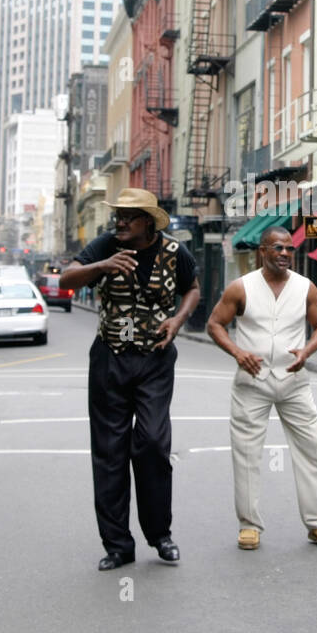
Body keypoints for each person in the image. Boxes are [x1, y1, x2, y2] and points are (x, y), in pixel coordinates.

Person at [58, 188, 200, 571]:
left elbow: (192, 288)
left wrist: (178, 320)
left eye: (129, 216)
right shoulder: (105, 245)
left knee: (153, 443)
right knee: (109, 453)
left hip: (154, 361)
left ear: (148, 222)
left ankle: (160, 534)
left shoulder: (174, 252)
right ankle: (118, 545)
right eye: (118, 214)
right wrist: (102, 266)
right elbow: (67, 280)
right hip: (110, 359)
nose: (119, 221)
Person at [206, 225, 317, 551]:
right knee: (247, 453)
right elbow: (214, 324)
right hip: (252, 382)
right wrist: (238, 353)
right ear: (261, 252)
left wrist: (307, 351)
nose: (284, 253)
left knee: (312, 449)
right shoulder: (241, 288)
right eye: (277, 248)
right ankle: (249, 525)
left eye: (289, 248)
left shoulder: (306, 287)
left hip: (294, 383)